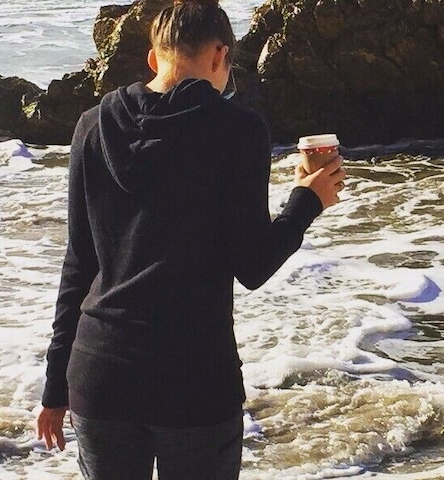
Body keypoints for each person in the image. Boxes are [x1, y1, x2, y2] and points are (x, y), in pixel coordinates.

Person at [34, 0, 346, 478]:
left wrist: (55, 388)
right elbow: (254, 265)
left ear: (154, 58)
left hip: (100, 376)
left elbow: (79, 264)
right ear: (220, 54)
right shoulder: (239, 130)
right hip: (195, 380)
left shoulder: (92, 126)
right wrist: (307, 200)